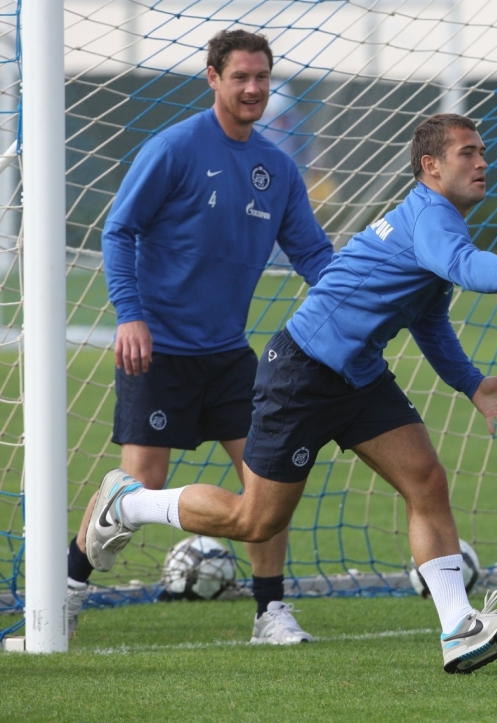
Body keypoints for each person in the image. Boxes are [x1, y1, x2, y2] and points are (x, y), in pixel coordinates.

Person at [85, 112, 497, 673]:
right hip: (303, 372)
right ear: (431, 166)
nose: (482, 162)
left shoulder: (438, 221)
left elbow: (429, 320)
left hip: (359, 375)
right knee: (256, 520)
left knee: (425, 479)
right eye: (468, 152)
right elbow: (466, 267)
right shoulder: (432, 218)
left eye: (482, 151)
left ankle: (459, 629)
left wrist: (470, 383)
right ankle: (129, 502)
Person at [66, 30, 337, 644]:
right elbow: (118, 231)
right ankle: (66, 592)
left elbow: (313, 255)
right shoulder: (174, 148)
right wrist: (130, 314)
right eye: (240, 77)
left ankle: (269, 611)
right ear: (213, 78)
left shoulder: (278, 167)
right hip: (157, 348)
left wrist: (356, 300)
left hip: (229, 353)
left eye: (261, 77)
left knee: (267, 480)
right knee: (136, 489)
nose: (253, 88)